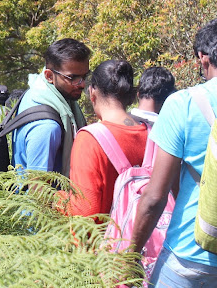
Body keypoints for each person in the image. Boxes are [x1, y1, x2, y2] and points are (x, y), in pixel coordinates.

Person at [132, 18, 217, 286]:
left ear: (203, 58)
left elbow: (155, 197)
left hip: (189, 256)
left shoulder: (184, 104)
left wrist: (130, 255)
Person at [68, 60, 147, 216]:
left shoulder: (89, 140)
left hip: (107, 238)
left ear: (92, 93)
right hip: (148, 237)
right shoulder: (151, 133)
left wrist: (56, 199)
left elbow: (85, 211)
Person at [12, 38, 90, 176]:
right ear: (49, 75)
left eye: (85, 76)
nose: (82, 84)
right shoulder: (46, 127)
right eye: (73, 78)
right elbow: (39, 190)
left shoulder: (36, 92)